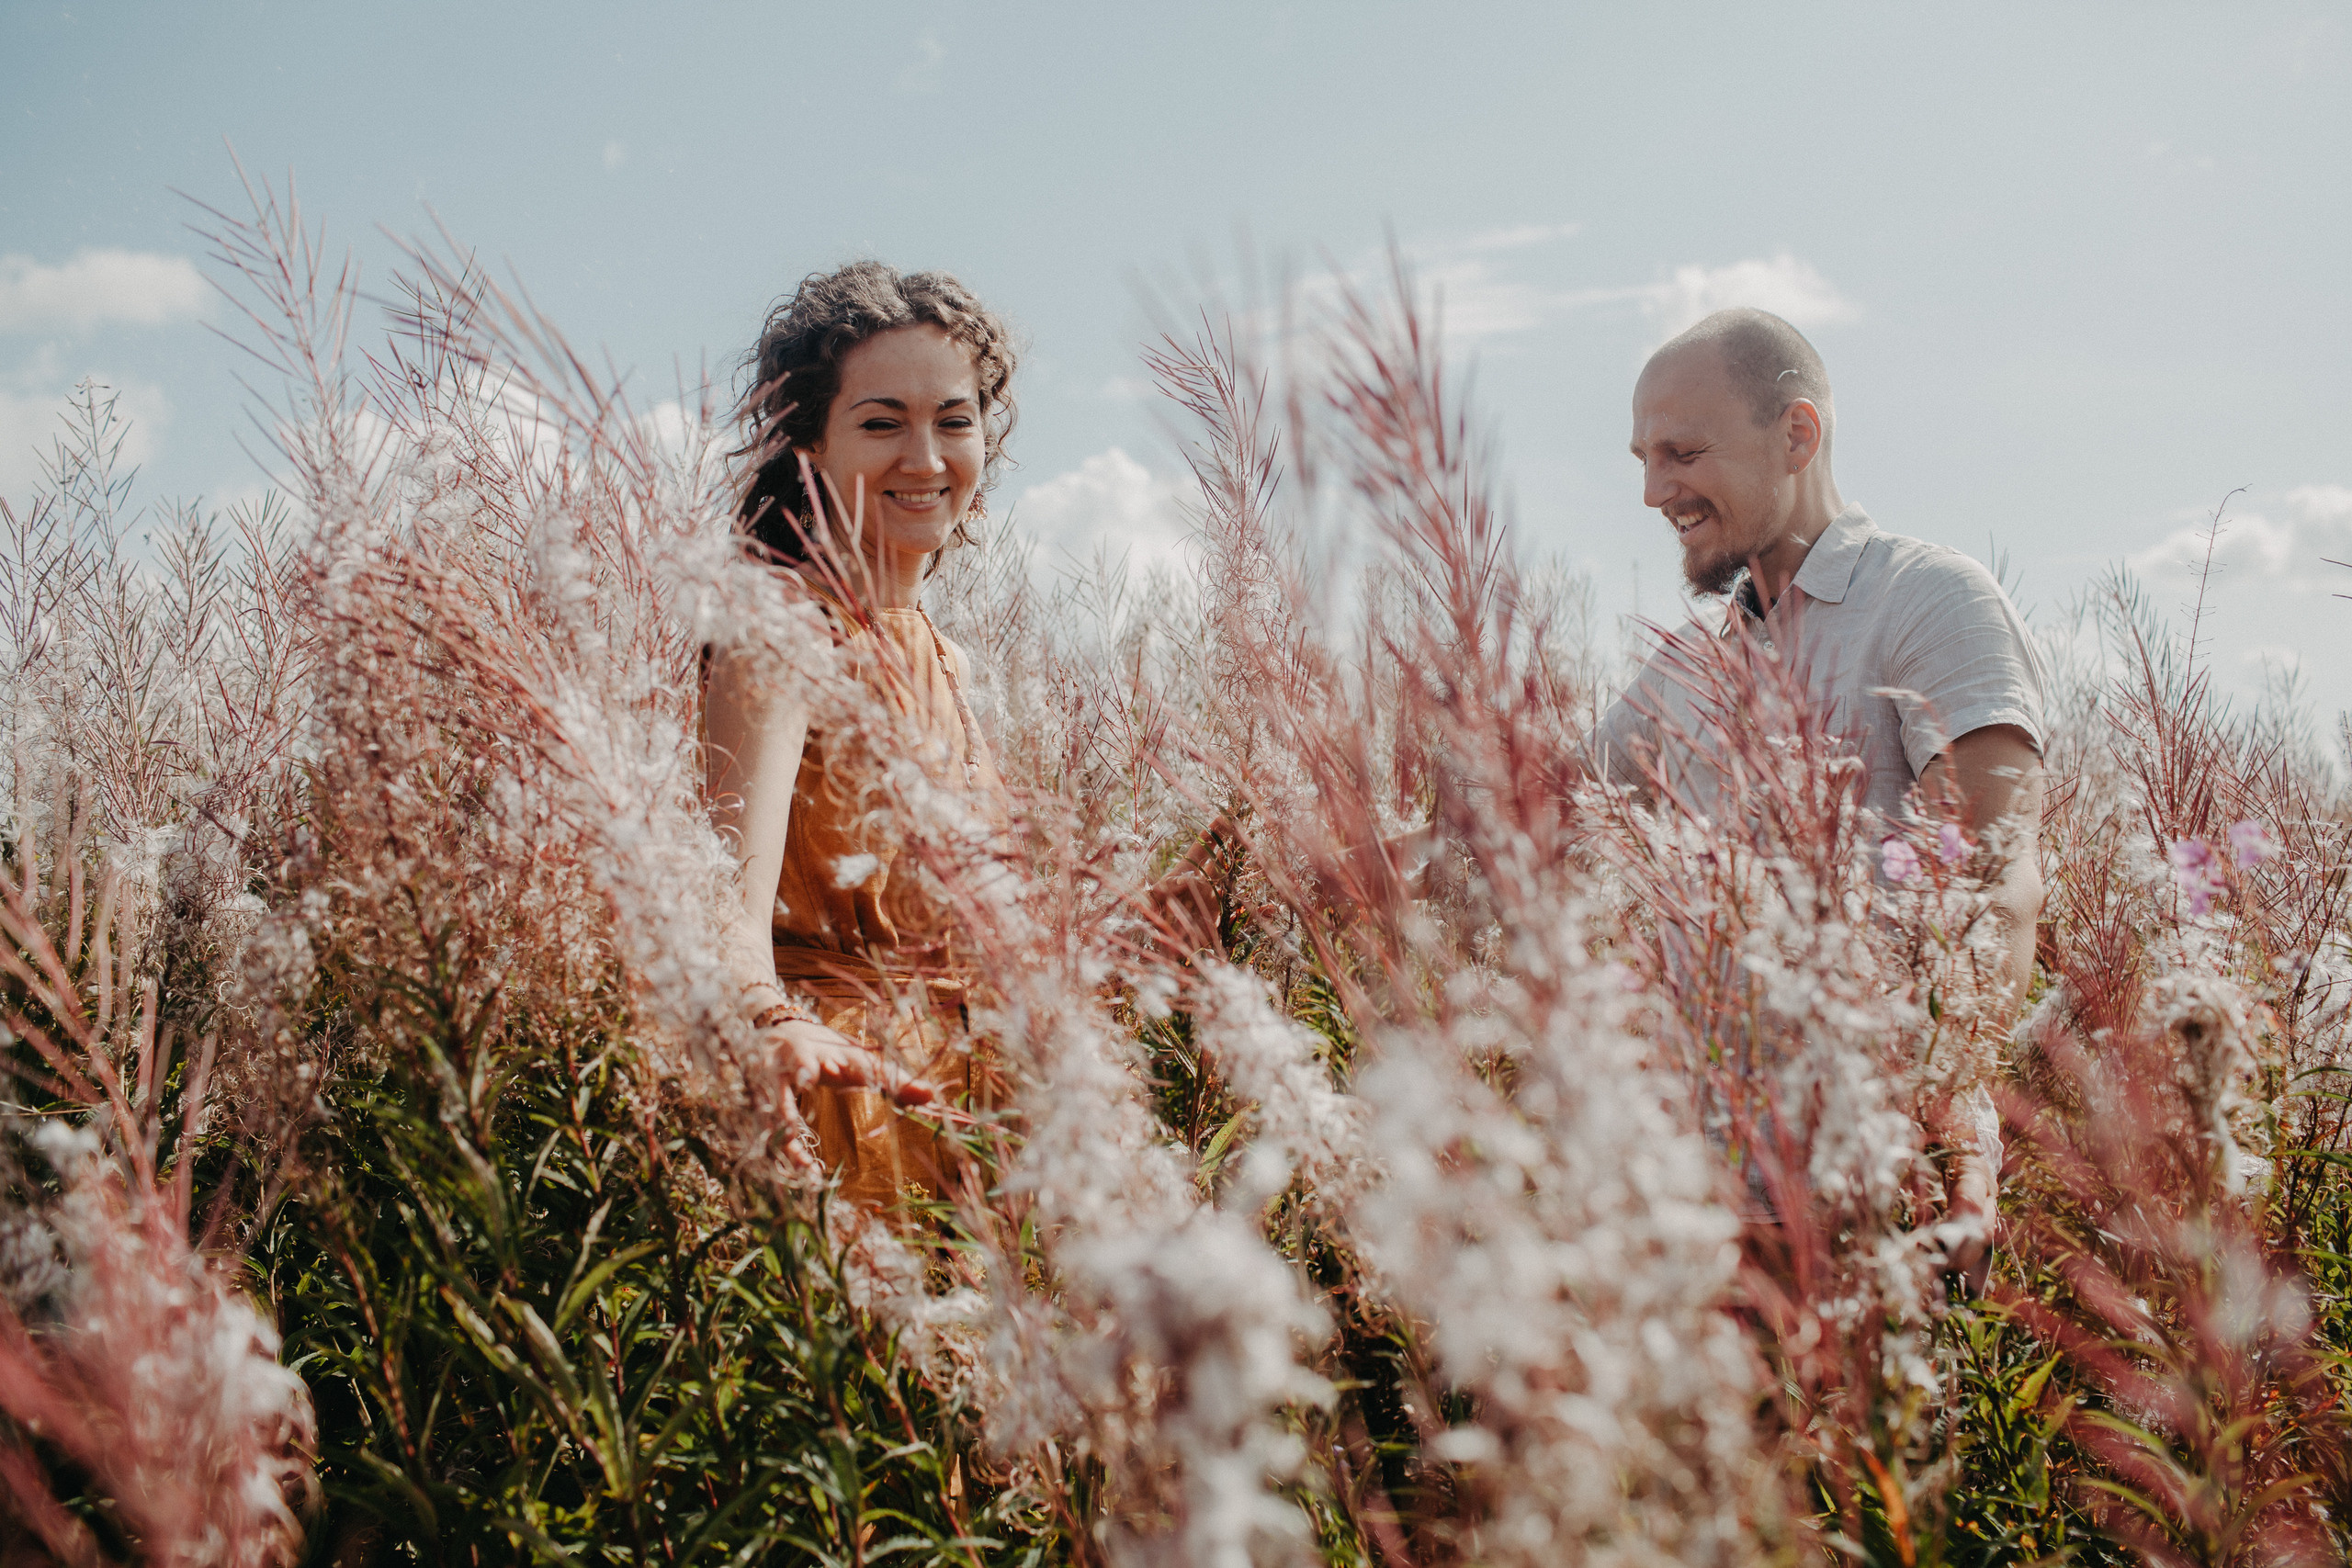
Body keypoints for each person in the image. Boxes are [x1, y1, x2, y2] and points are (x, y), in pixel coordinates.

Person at [1589, 308, 2046, 1284]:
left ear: (1796, 435)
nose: (1652, 489)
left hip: (1865, 1206)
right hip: (1690, 1215)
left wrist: (1947, 1125)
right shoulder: (1692, 671)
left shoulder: (1928, 600)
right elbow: (1533, 808)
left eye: (1681, 452)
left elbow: (1990, 879)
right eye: (1641, 458)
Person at [702, 260, 1017, 1212]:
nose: (924, 459)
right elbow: (725, 894)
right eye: (881, 423)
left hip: (977, 1114)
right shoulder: (781, 629)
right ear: (807, 444)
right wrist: (764, 1021)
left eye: (952, 420)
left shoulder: (950, 663)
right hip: (849, 1110)